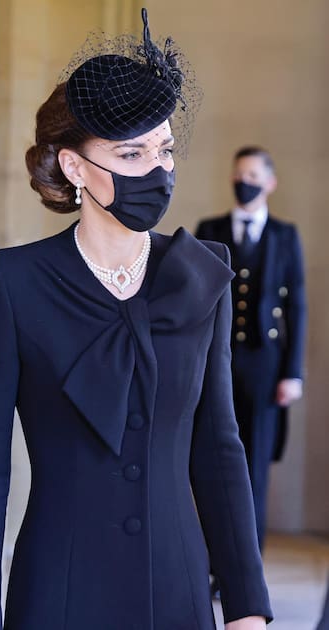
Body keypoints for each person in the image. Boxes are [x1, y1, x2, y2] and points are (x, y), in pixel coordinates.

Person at [0, 10, 272, 630]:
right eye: (131, 153)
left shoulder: (200, 274)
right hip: (59, 593)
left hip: (177, 591)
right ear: (74, 167)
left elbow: (219, 450)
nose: (156, 170)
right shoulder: (15, 283)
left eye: (164, 150)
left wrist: (248, 607)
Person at [195, 146, 307, 556]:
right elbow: (195, 300)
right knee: (213, 461)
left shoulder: (284, 235)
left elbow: (296, 305)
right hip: (216, 361)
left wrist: (292, 373)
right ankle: (213, 560)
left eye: (254, 176)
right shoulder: (209, 228)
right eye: (239, 175)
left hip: (265, 364)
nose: (245, 183)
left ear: (270, 183)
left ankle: (247, 563)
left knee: (255, 466)